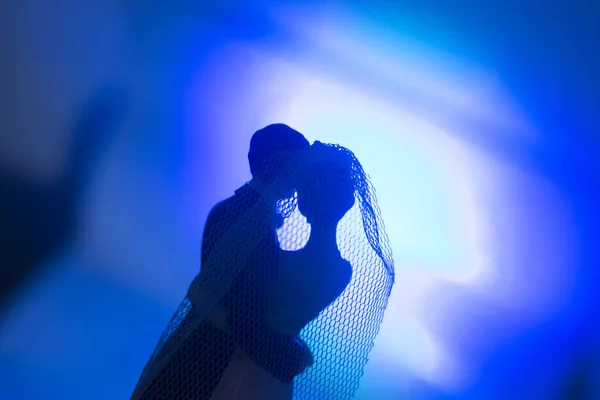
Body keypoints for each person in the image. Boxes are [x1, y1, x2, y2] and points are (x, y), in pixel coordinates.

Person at [131, 124, 313, 400]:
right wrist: (288, 355)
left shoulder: (228, 209)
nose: (300, 178)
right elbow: (242, 315)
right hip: (211, 353)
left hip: (199, 338)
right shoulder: (254, 226)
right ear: (279, 164)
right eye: (296, 166)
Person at [209, 141, 395, 399]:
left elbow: (239, 314)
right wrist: (296, 350)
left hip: (242, 368)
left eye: (305, 186)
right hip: (278, 382)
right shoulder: (343, 272)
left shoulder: (271, 257)